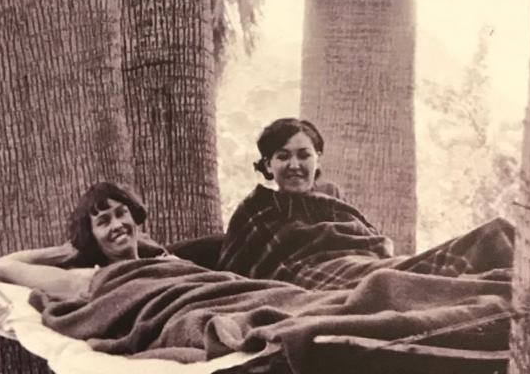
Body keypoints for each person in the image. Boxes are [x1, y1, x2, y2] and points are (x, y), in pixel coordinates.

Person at [216, 117, 514, 290]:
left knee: (399, 271)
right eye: (283, 156)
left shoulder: (331, 198)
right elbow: (235, 273)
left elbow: (367, 241)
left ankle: (497, 260)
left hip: (362, 267)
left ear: (317, 159)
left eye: (304, 155)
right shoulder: (255, 210)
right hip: (310, 281)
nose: (294, 165)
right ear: (268, 165)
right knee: (388, 282)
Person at [0, 181, 162, 299]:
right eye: (103, 222)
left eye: (121, 213)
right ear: (91, 236)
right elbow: (2, 265)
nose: (117, 225)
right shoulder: (88, 279)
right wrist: (68, 251)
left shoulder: (164, 262)